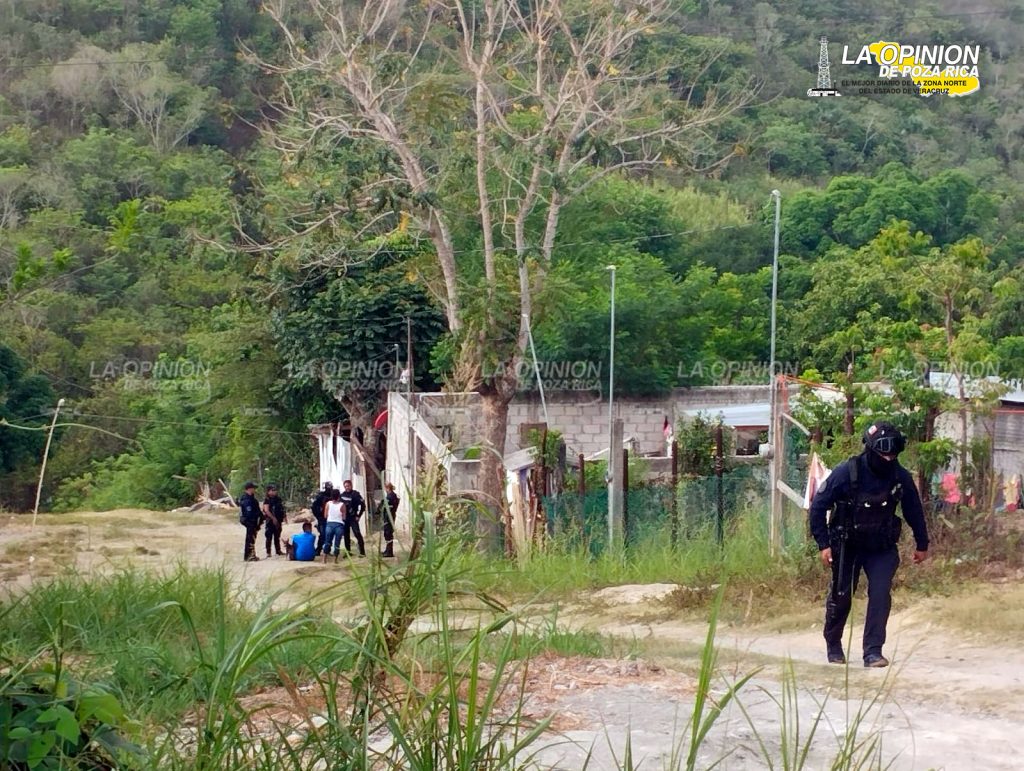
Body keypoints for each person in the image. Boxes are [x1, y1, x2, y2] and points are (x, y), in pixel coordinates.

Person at [809, 421, 929, 668]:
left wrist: (922, 543)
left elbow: (913, 510)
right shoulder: (846, 473)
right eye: (883, 452)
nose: (888, 457)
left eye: (893, 453)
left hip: (881, 547)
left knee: (880, 593)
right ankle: (833, 644)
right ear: (871, 449)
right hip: (847, 545)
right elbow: (818, 507)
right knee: (842, 595)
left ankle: (873, 651)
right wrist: (823, 544)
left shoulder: (899, 476)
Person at [339, 479, 366, 557]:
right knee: (346, 535)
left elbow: (363, 506)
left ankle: (362, 552)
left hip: (353, 517)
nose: (347, 487)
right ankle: (348, 552)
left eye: (348, 486)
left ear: (351, 486)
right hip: (345, 518)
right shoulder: (342, 495)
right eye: (345, 486)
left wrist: (359, 515)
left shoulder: (355, 494)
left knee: (357, 533)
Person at [238, 481, 262, 562]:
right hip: (249, 521)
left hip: (253, 521)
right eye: (253, 488)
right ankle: (249, 556)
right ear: (249, 489)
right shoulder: (247, 500)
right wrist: (254, 523)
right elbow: (249, 513)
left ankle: (250, 555)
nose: (254, 490)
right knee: (250, 538)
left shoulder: (251, 499)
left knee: (251, 538)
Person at [262, 483, 287, 557]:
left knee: (277, 536)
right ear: (269, 491)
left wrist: (284, 517)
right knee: (269, 536)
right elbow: (266, 510)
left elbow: (282, 508)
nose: (275, 492)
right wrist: (273, 518)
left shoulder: (278, 499)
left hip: (278, 519)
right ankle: (268, 552)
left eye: (275, 490)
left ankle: (278, 550)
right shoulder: (267, 500)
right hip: (270, 520)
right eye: (273, 490)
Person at [323, 488, 347, 562]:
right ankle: (335, 560)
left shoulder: (328, 504)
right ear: (339, 496)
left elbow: (325, 516)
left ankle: (324, 559)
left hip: (329, 524)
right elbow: (344, 517)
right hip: (339, 525)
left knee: (327, 542)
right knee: (337, 543)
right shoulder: (342, 505)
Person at [311, 481, 333, 556]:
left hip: (331, 518)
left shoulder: (334, 495)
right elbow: (314, 507)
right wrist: (318, 516)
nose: (329, 489)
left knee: (330, 534)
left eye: (330, 487)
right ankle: (319, 549)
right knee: (323, 534)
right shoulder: (320, 496)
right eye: (328, 487)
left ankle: (327, 550)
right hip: (322, 518)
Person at [380, 482, 399, 558]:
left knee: (388, 534)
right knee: (387, 534)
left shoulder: (391, 496)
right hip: (389, 517)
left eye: (386, 488)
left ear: (388, 488)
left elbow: (389, 508)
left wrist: (386, 520)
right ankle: (387, 550)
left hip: (389, 517)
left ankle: (389, 552)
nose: (385, 490)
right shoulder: (390, 496)